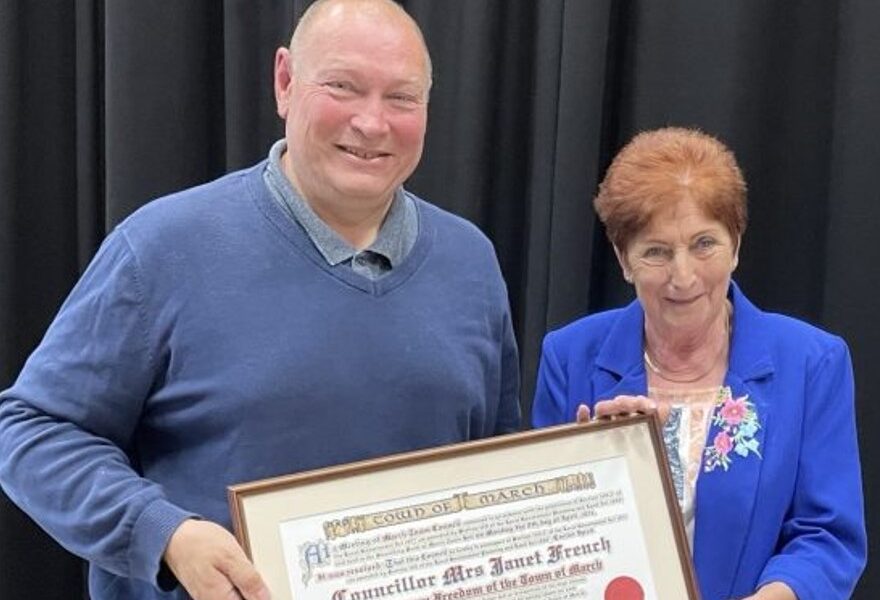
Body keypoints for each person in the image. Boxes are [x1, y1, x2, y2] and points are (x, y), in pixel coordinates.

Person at [0, 0, 521, 598]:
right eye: (343, 87)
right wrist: (163, 534)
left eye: (401, 98)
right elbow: (32, 429)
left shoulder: (470, 261)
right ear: (284, 82)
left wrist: (617, 451)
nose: (373, 123)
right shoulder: (162, 247)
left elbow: (494, 468)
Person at [532, 127, 865, 600]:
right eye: (656, 251)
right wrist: (593, 465)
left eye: (704, 243)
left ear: (736, 244)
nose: (682, 276)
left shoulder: (811, 362)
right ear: (623, 259)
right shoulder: (570, 356)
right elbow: (546, 539)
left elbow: (828, 536)